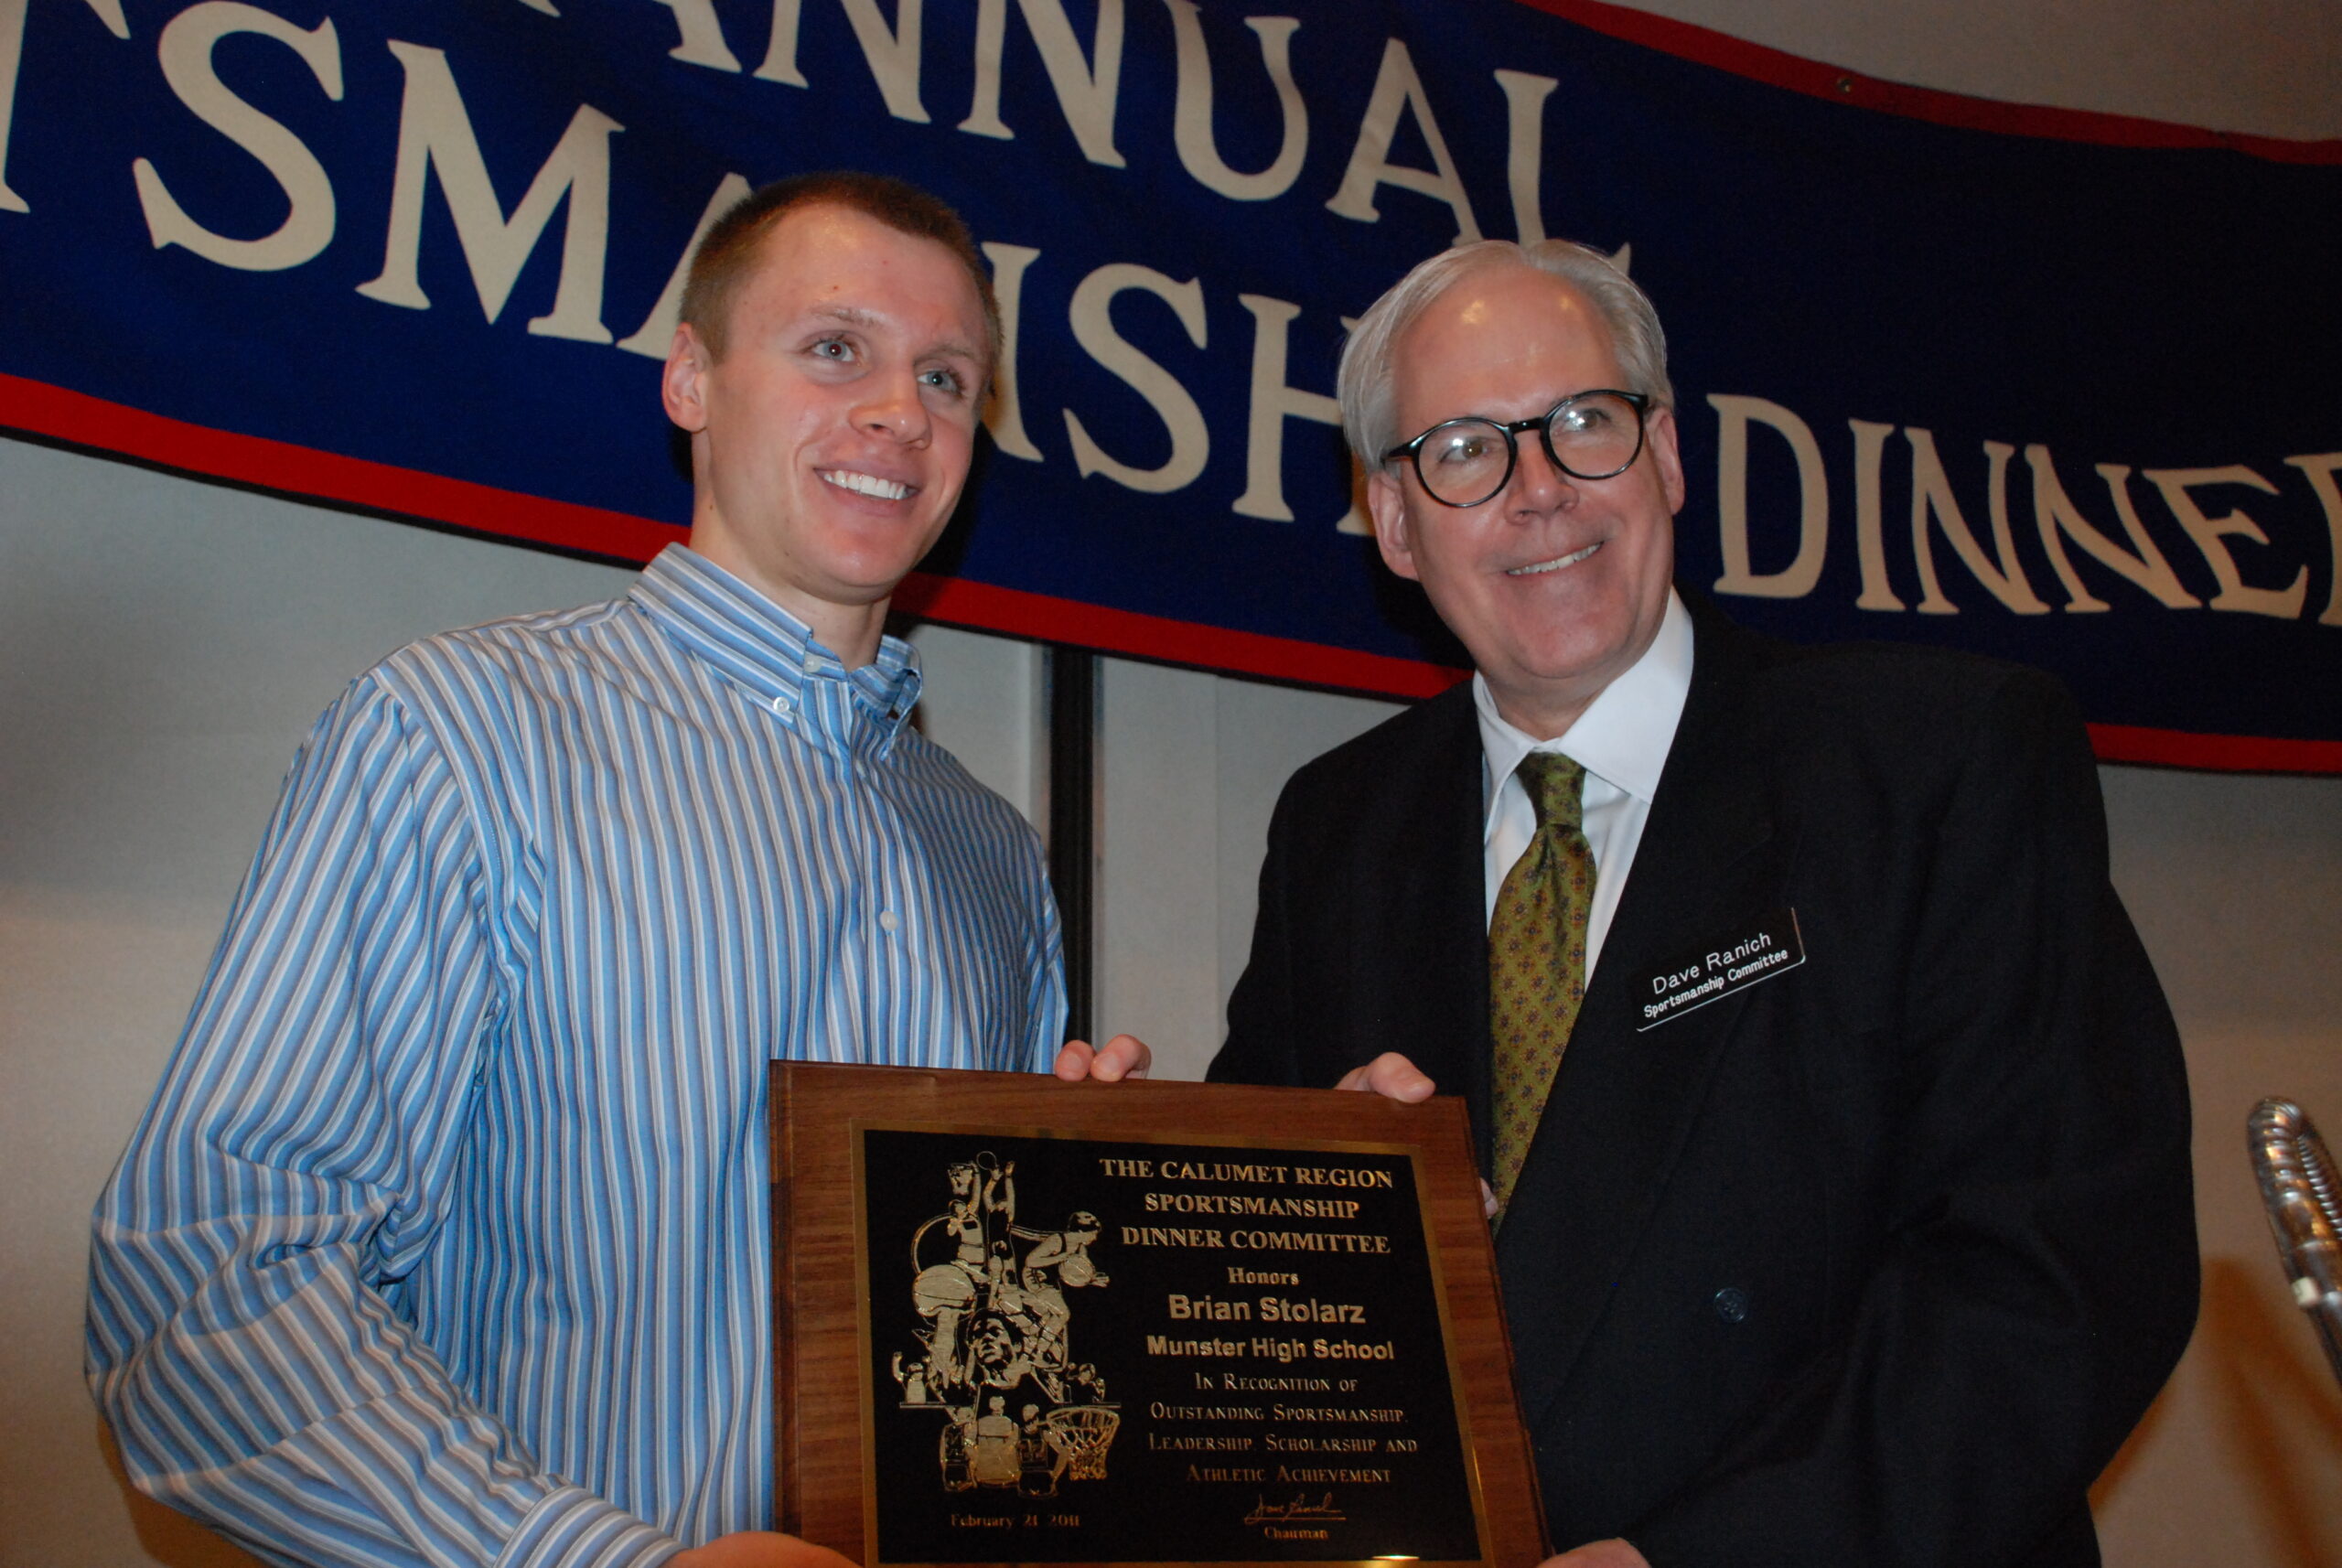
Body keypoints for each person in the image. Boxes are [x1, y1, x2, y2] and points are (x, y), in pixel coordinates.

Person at [87, 172, 1144, 1568]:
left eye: (946, 377)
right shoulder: (465, 733)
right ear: (692, 379)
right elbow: (213, 1283)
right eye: (837, 347)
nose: (902, 409)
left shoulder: (993, 850)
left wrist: (1097, 1216)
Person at [1207, 239, 2196, 1567]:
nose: (1540, 490)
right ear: (1393, 520)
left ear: (1666, 456)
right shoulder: (1334, 827)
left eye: (1583, 423)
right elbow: (1249, 1300)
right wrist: (1311, 1213)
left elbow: (2064, 1273)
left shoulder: (1935, 763)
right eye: (1464, 451)